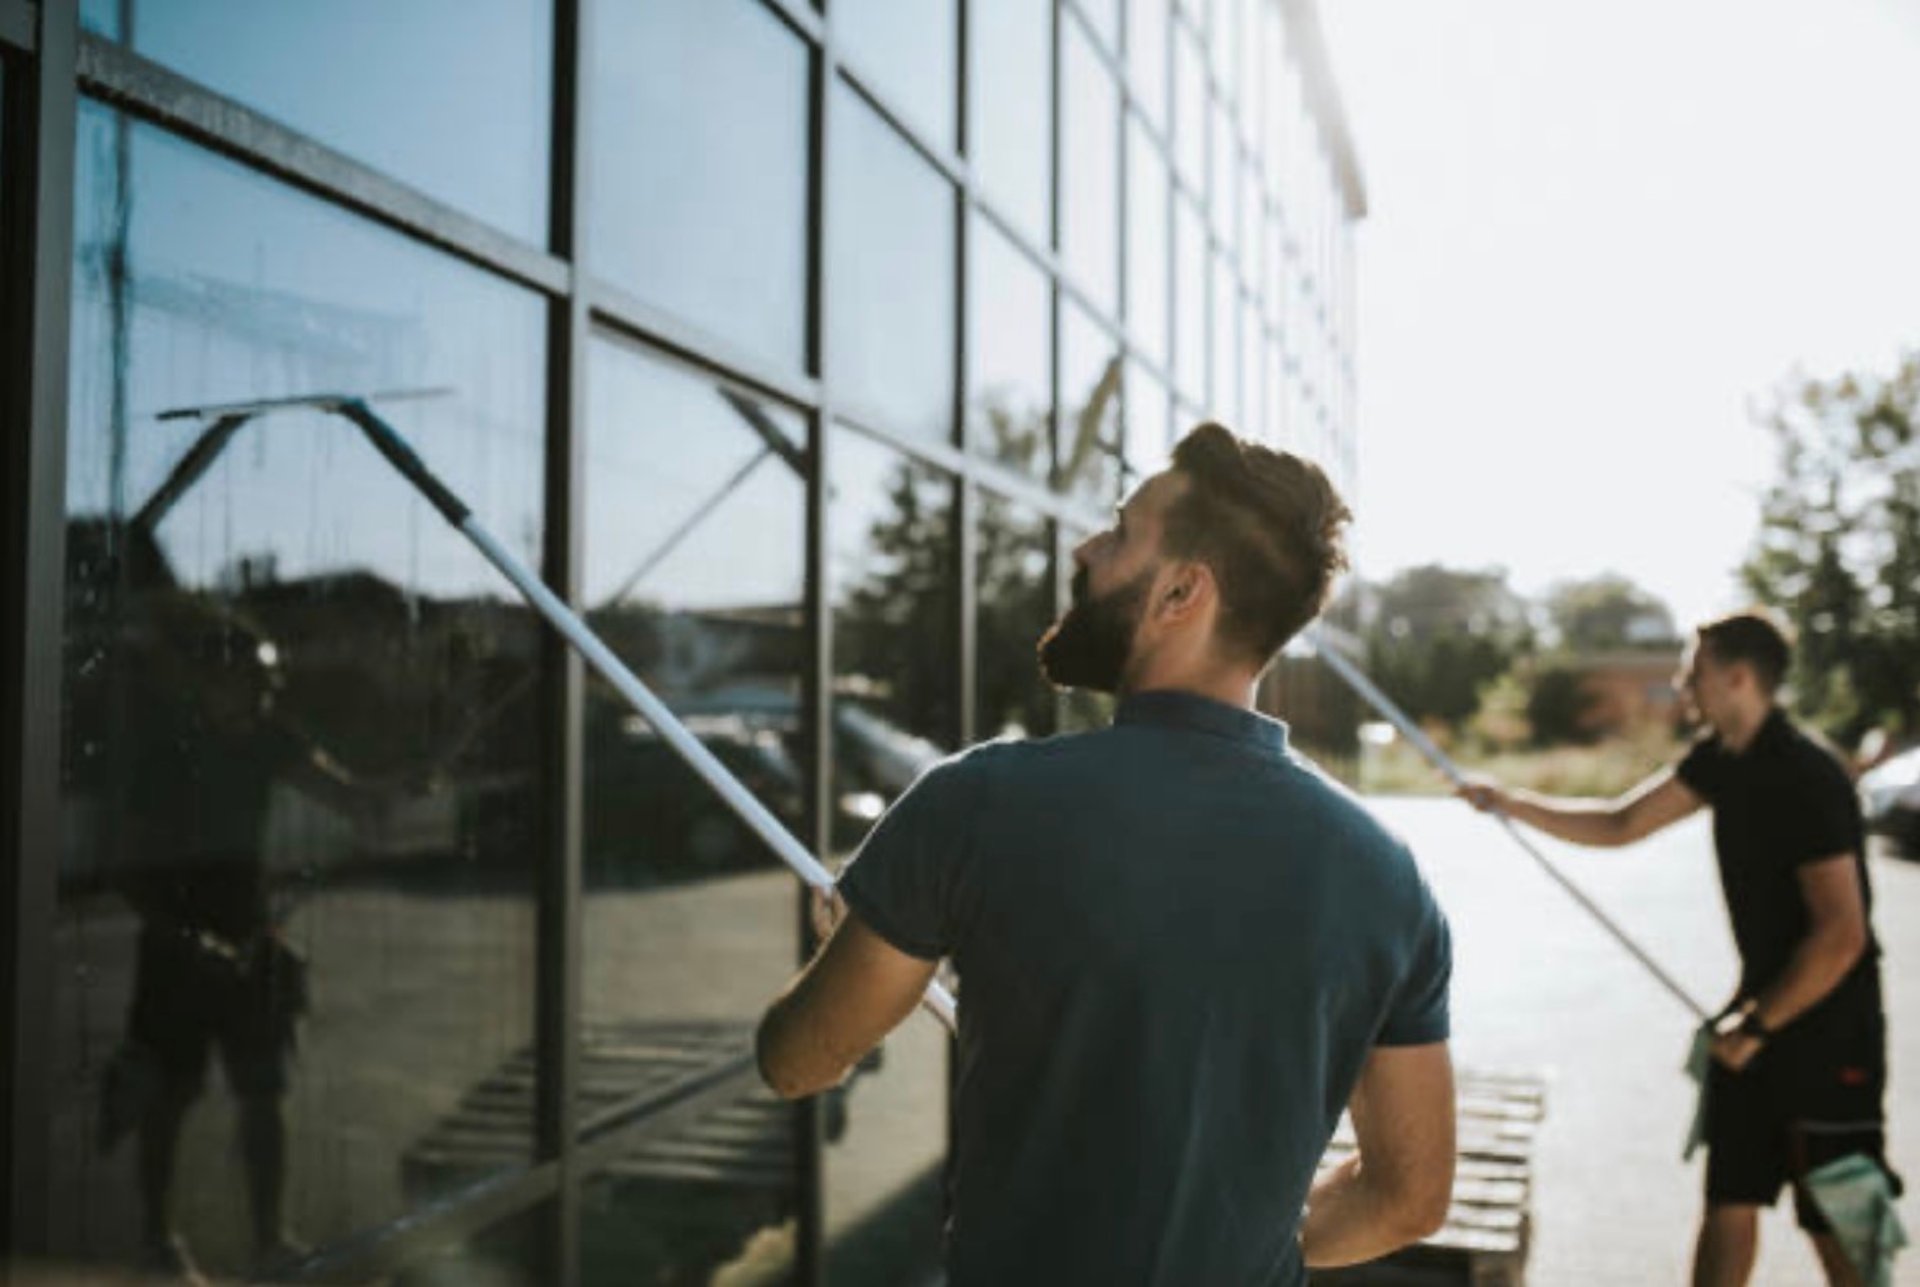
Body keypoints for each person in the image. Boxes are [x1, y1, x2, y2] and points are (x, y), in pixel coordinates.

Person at [756, 423, 1457, 1285]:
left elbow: (798, 1060)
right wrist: (1241, 1247)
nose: (1085, 549)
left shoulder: (977, 802)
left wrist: (842, 948)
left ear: (1179, 593)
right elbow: (1411, 1194)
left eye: (1121, 532)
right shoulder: (1387, 875)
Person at [1458, 610, 1896, 1287]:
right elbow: (1621, 822)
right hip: (1752, 1019)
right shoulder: (1721, 760)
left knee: (1836, 1217)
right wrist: (1507, 801)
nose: (1682, 685)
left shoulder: (1808, 775)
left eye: (1694, 672)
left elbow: (1841, 935)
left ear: (1740, 678)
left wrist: (1757, 1025)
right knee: (1730, 1196)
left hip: (1829, 1033)